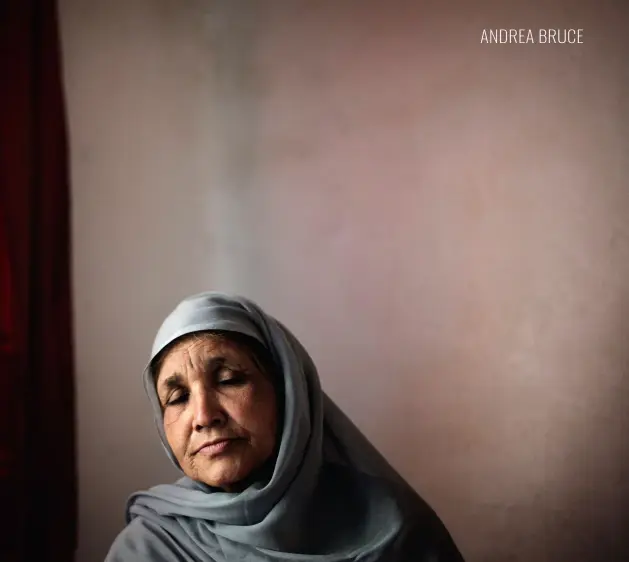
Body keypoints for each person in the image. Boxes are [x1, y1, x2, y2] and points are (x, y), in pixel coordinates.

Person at [106, 292, 465, 561]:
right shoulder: (149, 549)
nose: (203, 415)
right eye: (178, 398)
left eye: (229, 379)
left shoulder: (394, 528)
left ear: (287, 391)